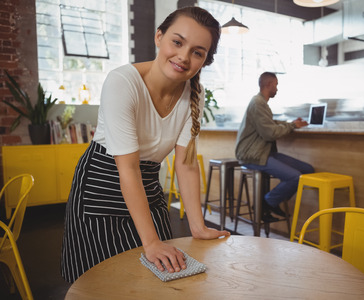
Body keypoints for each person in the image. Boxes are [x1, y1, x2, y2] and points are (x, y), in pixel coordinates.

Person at [61, 6, 229, 283]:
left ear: (204, 61)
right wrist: (151, 242)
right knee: (104, 282)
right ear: (159, 37)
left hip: (148, 188)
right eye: (177, 42)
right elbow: (127, 168)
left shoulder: (194, 94)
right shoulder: (122, 82)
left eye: (197, 52)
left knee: (161, 278)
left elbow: (185, 166)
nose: (183, 57)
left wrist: (197, 227)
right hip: (101, 188)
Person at [235, 72, 314, 221]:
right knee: (296, 177)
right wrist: (292, 126)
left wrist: (292, 124)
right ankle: (268, 202)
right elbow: (269, 133)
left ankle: (270, 201)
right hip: (252, 155)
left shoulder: (261, 103)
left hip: (263, 153)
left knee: (308, 170)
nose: (277, 89)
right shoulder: (258, 103)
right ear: (269, 84)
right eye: (276, 85)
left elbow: (271, 123)